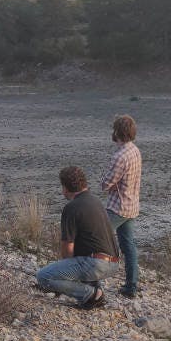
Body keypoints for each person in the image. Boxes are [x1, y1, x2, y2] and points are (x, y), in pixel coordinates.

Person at [35, 166, 120, 309]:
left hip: (96, 264)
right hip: (114, 263)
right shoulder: (96, 201)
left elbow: (67, 249)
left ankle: (91, 294)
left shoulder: (72, 207)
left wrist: (63, 274)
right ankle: (94, 288)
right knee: (78, 260)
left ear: (65, 188)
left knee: (43, 277)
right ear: (84, 183)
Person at [101, 114, 142, 298]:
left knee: (96, 238)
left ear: (117, 132)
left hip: (118, 206)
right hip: (131, 205)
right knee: (129, 246)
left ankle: (91, 280)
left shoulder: (119, 156)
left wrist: (105, 182)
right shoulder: (135, 150)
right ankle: (131, 286)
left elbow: (106, 184)